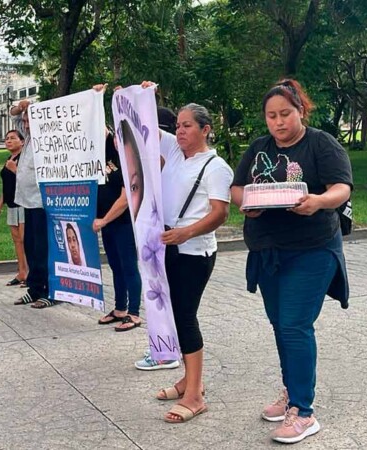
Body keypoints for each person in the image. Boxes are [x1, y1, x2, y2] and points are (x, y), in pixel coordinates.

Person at [230, 79, 352, 444]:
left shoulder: (320, 143)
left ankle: (304, 411)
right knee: (280, 324)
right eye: (271, 116)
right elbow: (238, 187)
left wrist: (318, 201)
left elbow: (341, 187)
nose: (279, 122)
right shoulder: (258, 148)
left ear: (301, 111)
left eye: (285, 113)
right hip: (269, 251)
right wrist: (244, 204)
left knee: (295, 325)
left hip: (313, 249)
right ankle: (291, 392)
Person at [143, 88, 234, 424]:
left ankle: (195, 395)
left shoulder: (215, 166)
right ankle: (187, 381)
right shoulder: (176, 153)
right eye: (178, 125)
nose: (179, 131)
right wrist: (135, 95)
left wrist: (186, 232)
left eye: (187, 126)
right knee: (174, 317)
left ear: (205, 129)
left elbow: (220, 213)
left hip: (194, 251)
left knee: (185, 317)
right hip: (168, 246)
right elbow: (144, 124)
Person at [133, 106, 182, 366]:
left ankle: (165, 352)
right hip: (153, 230)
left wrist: (141, 102)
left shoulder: (173, 148)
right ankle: (162, 347)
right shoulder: (144, 153)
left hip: (172, 233)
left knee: (165, 293)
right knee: (157, 289)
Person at [92, 121, 144, 332]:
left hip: (123, 224)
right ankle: (120, 308)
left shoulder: (130, 163)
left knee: (129, 266)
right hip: (108, 224)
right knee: (115, 265)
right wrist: (97, 96)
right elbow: (99, 125)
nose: (115, 140)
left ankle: (134, 312)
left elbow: (126, 199)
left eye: (121, 138)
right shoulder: (109, 154)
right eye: (115, 136)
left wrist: (104, 220)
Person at [10, 100, 54, 309]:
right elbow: (14, 114)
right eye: (25, 121)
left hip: (42, 202)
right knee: (31, 246)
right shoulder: (27, 138)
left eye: (29, 121)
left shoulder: (47, 140)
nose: (25, 125)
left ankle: (49, 290)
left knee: (43, 248)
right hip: (27, 201)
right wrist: (23, 108)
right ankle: (34, 288)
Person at [0, 129, 29, 286]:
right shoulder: (9, 159)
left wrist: (15, 169)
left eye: (13, 138)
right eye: (6, 139)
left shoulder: (24, 159)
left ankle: (32, 273)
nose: (8, 141)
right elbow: (5, 187)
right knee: (17, 240)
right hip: (11, 205)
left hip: (24, 203)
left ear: (22, 141)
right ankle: (22, 272)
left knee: (26, 240)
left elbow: (28, 181)